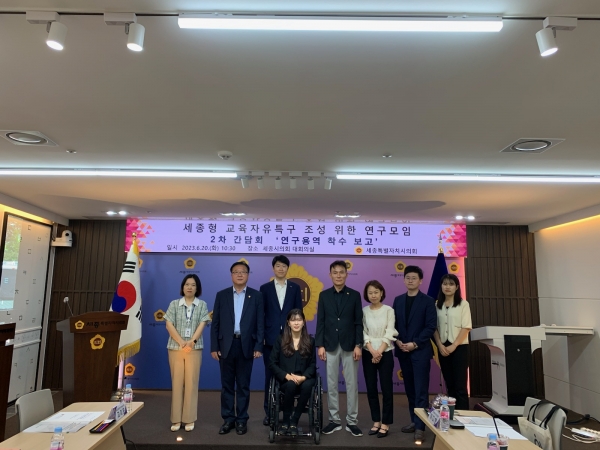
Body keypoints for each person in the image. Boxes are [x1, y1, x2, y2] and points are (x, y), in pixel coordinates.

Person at [211, 261, 264, 436]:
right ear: (231, 275)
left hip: (246, 345)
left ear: (248, 275)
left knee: (243, 385)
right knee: (226, 385)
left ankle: (241, 419)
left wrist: (258, 346)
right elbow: (215, 323)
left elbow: (260, 323)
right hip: (226, 345)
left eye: (243, 272)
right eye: (236, 272)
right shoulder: (222, 295)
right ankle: (228, 419)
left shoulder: (256, 296)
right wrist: (214, 346)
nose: (240, 274)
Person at [315, 260, 364, 437]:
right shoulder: (324, 295)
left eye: (341, 272)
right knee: (332, 384)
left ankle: (352, 421)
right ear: (330, 275)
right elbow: (321, 321)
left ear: (346, 274)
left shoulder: (355, 295)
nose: (338, 275)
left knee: (351, 384)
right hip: (330, 345)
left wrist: (358, 345)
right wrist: (320, 345)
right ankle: (334, 420)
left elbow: (358, 322)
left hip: (350, 345)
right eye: (335, 272)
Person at [392, 265, 437, 444]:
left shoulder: (428, 301)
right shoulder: (398, 300)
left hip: (420, 352)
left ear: (420, 281)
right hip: (403, 351)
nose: (410, 280)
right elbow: (393, 324)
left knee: (421, 391)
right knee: (410, 390)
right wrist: (398, 341)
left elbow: (430, 327)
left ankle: (420, 427)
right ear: (404, 280)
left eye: (414, 278)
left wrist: (415, 343)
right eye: (407, 277)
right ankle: (414, 420)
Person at [260, 255, 303, 426]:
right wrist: (262, 338)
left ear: (287, 269)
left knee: (289, 376)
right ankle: (269, 413)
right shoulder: (265, 288)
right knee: (270, 376)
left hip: (290, 339)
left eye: (284, 266)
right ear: (273, 268)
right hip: (270, 339)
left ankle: (287, 411)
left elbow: (298, 314)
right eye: (278, 266)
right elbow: (261, 315)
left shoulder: (294, 288)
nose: (281, 269)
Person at [164, 274, 210, 432]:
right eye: (187, 284)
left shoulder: (202, 304)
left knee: (191, 383)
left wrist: (192, 341)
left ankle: (189, 419)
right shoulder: (174, 304)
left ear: (197, 288)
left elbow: (203, 323)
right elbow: (168, 324)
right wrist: (180, 341)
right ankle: (176, 419)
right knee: (177, 383)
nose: (190, 287)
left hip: (194, 348)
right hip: (175, 348)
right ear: (182, 287)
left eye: (193, 285)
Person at [269, 308, 316, 436]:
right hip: (286, 379)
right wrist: (286, 376)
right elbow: (272, 363)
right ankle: (285, 421)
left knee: (308, 386)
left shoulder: (310, 341)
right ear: (288, 323)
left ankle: (294, 420)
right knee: (290, 385)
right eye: (293, 320)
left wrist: (303, 377)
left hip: (304, 379)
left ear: (304, 322)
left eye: (299, 320)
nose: (296, 323)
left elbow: (312, 364)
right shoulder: (280, 340)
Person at [362, 280, 398, 438]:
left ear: (382, 293)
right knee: (371, 388)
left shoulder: (389, 310)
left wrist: (379, 352)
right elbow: (363, 332)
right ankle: (376, 421)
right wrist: (372, 350)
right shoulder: (364, 311)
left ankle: (386, 423)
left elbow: (390, 331)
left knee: (386, 388)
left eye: (376, 292)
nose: (373, 295)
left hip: (386, 351)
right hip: (368, 351)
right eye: (370, 293)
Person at [433, 274, 472, 411]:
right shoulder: (437, 305)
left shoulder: (463, 304)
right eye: (445, 284)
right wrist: (439, 345)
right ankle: (451, 416)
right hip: (443, 348)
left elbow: (466, 327)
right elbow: (434, 328)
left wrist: (454, 345)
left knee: (460, 386)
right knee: (449, 385)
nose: (447, 287)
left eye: (451, 284)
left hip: (460, 348)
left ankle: (464, 416)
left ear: (456, 287)